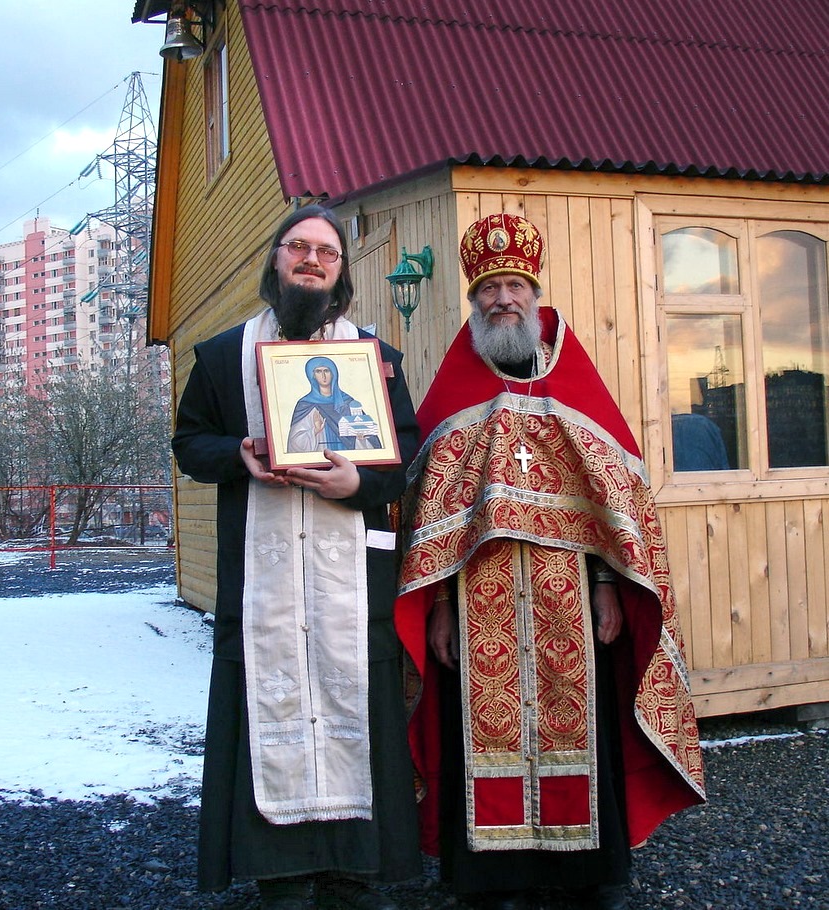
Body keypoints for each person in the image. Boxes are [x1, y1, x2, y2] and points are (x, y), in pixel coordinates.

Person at [395, 214, 706, 910]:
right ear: (474, 301)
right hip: (479, 602)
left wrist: (606, 588)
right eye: (489, 288)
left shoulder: (576, 387)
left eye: (514, 285)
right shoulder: (452, 393)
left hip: (569, 593)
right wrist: (439, 606)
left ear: (531, 295)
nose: (503, 298)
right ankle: (489, 878)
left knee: (584, 725)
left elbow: (614, 505)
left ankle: (586, 875)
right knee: (476, 730)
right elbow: (428, 518)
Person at [172, 204, 422, 910]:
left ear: (341, 274)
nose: (311, 260)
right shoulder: (223, 358)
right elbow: (190, 445)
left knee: (357, 711)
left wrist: (356, 483)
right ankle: (281, 873)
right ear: (275, 259)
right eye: (299, 247)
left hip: (350, 588)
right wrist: (239, 454)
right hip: (263, 586)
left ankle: (353, 870)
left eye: (327, 253)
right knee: (268, 707)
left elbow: (401, 459)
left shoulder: (374, 361)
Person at [288, 356, 381, 453]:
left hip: (350, 463)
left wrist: (360, 438)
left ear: (333, 374)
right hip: (319, 462)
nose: (323, 376)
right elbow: (295, 443)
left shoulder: (348, 403)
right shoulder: (305, 405)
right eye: (318, 371)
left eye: (327, 371)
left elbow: (370, 441)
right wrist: (315, 430)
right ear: (312, 376)